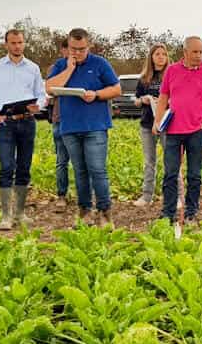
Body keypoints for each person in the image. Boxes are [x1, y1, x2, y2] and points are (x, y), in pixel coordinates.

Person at [46, 28, 121, 226]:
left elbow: (116, 88)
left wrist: (96, 95)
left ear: (89, 46)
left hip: (95, 127)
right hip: (69, 127)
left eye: (81, 49)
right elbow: (50, 88)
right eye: (73, 49)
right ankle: (84, 211)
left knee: (97, 169)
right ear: (68, 47)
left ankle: (105, 211)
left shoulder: (100, 63)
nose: (77, 53)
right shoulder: (61, 65)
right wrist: (69, 69)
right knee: (79, 171)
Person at [153, 37, 202, 224]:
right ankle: (168, 212)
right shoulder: (172, 71)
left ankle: (192, 211)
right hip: (173, 131)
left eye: (201, 52)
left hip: (196, 131)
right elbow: (163, 97)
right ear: (185, 52)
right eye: (195, 52)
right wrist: (157, 121)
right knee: (170, 173)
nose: (199, 55)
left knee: (194, 174)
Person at [0, 28, 46, 229]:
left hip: (27, 121)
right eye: (13, 43)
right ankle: (6, 215)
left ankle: (20, 212)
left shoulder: (33, 68)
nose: (17, 46)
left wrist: (39, 105)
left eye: (20, 42)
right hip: (6, 123)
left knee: (24, 167)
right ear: (6, 44)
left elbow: (41, 94)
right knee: (6, 166)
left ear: (24, 43)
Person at [133, 44, 170, 207]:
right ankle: (146, 196)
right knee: (149, 161)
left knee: (171, 160)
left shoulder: (172, 75)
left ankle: (175, 196)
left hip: (167, 124)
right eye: (157, 54)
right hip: (147, 124)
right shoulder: (143, 79)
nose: (161, 57)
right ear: (151, 57)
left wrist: (165, 102)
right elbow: (136, 100)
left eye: (163, 54)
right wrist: (143, 100)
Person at [49, 37, 73, 211]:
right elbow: (50, 88)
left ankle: (85, 197)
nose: (73, 53)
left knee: (85, 162)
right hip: (60, 119)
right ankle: (61, 195)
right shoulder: (57, 67)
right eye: (69, 49)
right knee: (61, 160)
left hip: (81, 120)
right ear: (63, 50)